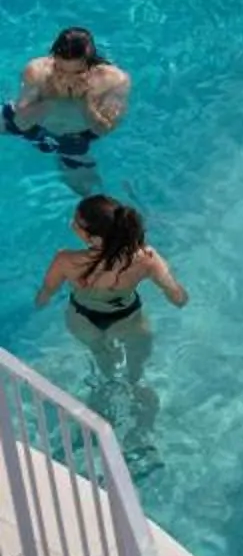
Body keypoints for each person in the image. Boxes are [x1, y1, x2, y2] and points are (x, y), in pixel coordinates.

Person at [33, 198, 187, 411]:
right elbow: (175, 293)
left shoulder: (66, 260)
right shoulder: (146, 258)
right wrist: (180, 299)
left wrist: (38, 304)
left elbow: (47, 291)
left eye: (77, 223)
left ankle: (110, 386)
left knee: (103, 358)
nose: (71, 225)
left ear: (94, 238)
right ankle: (136, 386)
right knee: (137, 369)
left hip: (83, 319)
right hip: (128, 317)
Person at [5, 29, 131, 191]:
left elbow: (103, 129)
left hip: (75, 138)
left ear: (92, 65)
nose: (67, 78)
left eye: (77, 73)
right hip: (36, 124)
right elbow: (21, 122)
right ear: (53, 59)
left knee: (86, 191)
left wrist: (85, 103)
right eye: (60, 70)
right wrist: (52, 101)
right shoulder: (37, 71)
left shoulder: (113, 81)